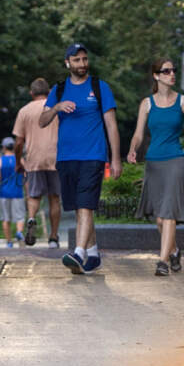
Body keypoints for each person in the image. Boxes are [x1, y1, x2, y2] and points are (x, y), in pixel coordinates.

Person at [39, 42, 120, 275]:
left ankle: (79, 253)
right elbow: (42, 121)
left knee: (86, 204)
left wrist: (115, 159)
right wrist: (57, 108)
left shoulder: (100, 87)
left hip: (93, 156)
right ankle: (93, 253)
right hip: (66, 157)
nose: (82, 64)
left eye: (84, 59)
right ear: (68, 63)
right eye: (77, 60)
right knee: (78, 207)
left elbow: (111, 126)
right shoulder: (59, 89)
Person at [124, 57, 184, 277]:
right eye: (167, 71)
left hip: (175, 161)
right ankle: (175, 250)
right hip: (154, 162)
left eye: (173, 70)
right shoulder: (146, 104)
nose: (172, 74)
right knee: (160, 218)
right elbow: (139, 134)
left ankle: (162, 262)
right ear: (156, 76)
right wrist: (133, 149)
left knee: (169, 214)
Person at [11, 77, 61, 248]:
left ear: (31, 93)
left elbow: (18, 142)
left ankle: (31, 219)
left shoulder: (24, 111)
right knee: (54, 198)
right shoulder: (56, 109)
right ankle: (53, 238)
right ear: (48, 92)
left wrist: (18, 162)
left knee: (33, 196)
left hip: (33, 159)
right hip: (56, 158)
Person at [0, 136, 27, 246]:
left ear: (3, 148)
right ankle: (19, 232)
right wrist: (28, 193)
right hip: (18, 193)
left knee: (6, 219)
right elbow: (26, 178)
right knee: (20, 217)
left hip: (4, 194)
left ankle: (9, 242)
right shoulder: (20, 160)